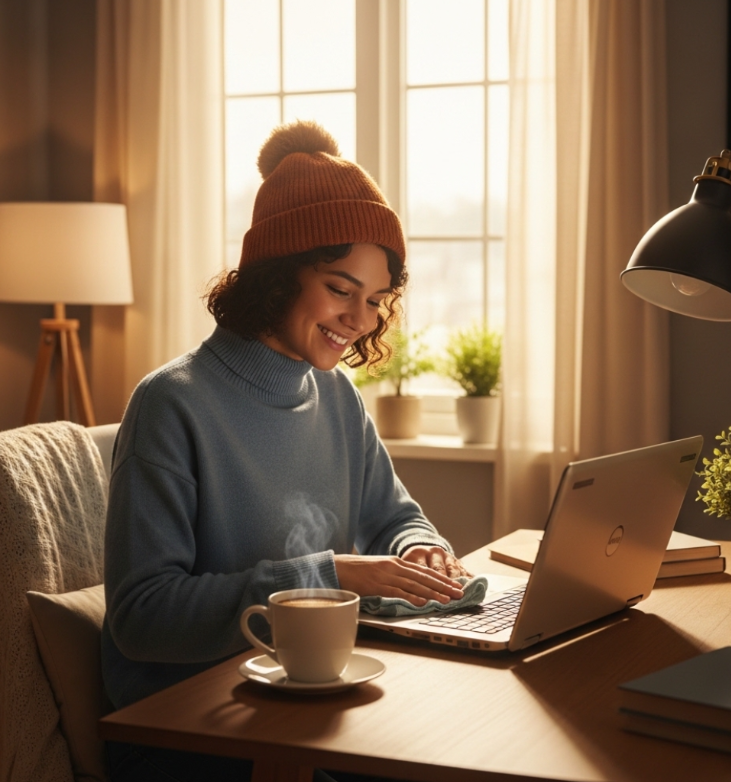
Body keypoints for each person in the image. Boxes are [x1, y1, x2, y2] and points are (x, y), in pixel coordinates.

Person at [102, 120, 471, 782]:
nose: (361, 319)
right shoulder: (171, 405)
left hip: (307, 704)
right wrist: (324, 576)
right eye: (340, 288)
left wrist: (418, 547)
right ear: (275, 275)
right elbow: (142, 618)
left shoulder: (337, 399)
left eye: (376, 300)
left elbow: (394, 517)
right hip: (189, 732)